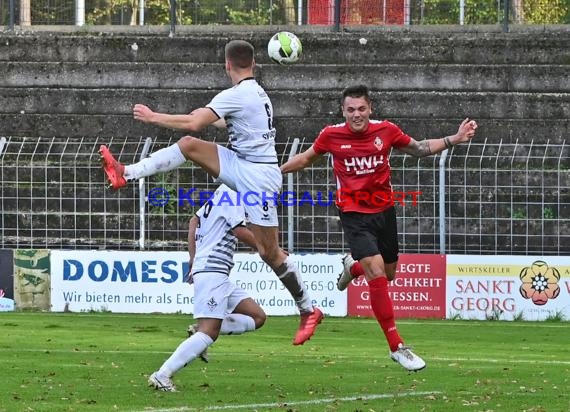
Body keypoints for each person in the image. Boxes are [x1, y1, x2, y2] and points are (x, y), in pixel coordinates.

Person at [100, 39, 323, 346]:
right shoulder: (254, 93)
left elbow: (195, 121)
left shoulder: (238, 94)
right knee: (190, 145)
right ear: (254, 64)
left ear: (226, 64)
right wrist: (206, 116)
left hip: (258, 176)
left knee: (269, 252)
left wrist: (154, 117)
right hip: (244, 164)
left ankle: (309, 309)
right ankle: (127, 172)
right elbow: (217, 122)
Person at [280, 84, 478, 372]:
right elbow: (307, 157)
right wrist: (276, 171)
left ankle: (353, 266)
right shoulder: (331, 135)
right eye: (350, 110)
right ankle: (397, 346)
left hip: (384, 212)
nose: (356, 114)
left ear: (370, 108)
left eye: (361, 109)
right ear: (343, 111)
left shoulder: (385, 130)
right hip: (353, 213)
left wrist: (455, 139)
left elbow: (419, 149)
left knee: (388, 274)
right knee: (376, 275)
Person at [149, 184, 266, 392]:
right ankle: (162, 375)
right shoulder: (233, 192)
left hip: (215, 271)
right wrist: (267, 247)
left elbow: (193, 221)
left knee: (257, 317)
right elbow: (238, 230)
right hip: (213, 270)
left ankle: (197, 332)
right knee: (209, 333)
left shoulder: (221, 191)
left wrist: (193, 259)